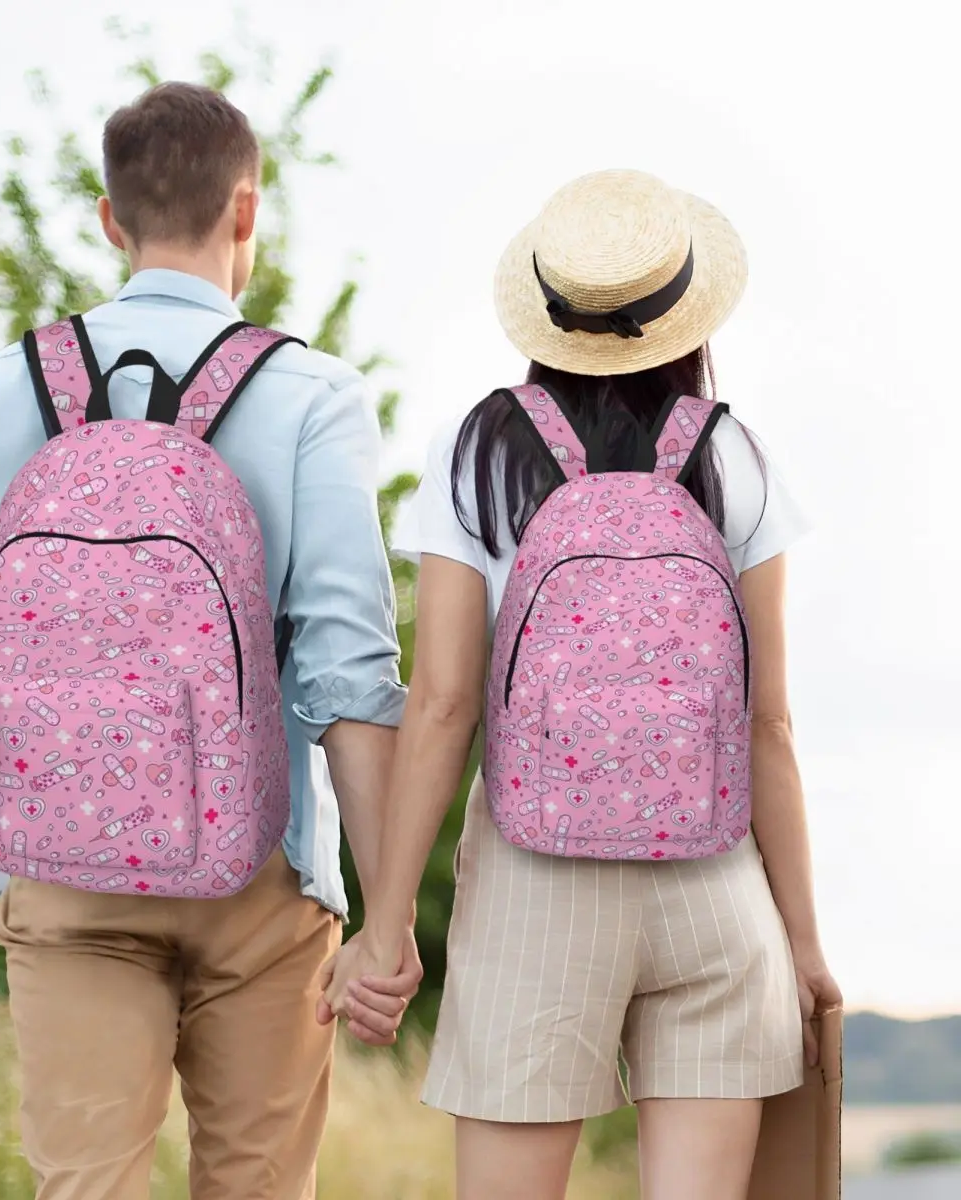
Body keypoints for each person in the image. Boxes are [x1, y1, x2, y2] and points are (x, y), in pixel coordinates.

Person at [0, 81, 422, 1200]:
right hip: (263, 874)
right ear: (247, 213)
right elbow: (349, 678)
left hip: (63, 877)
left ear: (110, 219)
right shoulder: (311, 394)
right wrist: (389, 915)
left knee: (86, 1186)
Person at [321, 169, 842, 1200]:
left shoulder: (478, 451)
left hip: (533, 884)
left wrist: (385, 928)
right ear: (685, 315)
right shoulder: (735, 455)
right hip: (715, 885)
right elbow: (768, 724)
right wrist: (803, 942)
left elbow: (443, 705)